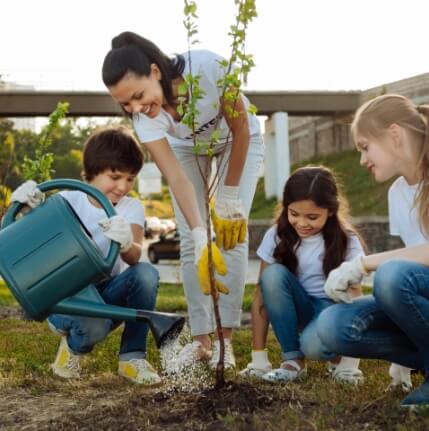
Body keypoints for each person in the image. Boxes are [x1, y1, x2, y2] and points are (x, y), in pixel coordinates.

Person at [102, 31, 264, 370]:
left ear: (156, 72)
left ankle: (225, 342)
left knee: (233, 232)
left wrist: (229, 197)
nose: (136, 108)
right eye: (125, 105)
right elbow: (176, 178)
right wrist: (201, 232)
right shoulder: (144, 119)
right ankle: (204, 341)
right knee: (193, 239)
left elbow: (241, 131)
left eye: (138, 96)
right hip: (186, 150)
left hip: (238, 141)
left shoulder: (209, 67)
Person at [10, 126, 161, 385]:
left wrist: (126, 243)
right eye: (115, 176)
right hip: (68, 296)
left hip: (106, 294)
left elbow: (135, 255)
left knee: (146, 274)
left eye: (130, 178)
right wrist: (25, 209)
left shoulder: (130, 207)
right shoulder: (68, 200)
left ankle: (132, 358)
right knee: (93, 325)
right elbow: (24, 243)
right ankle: (72, 347)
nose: (123, 187)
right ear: (91, 173)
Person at [317, 94, 429, 407]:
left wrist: (363, 264)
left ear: (395, 134)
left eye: (365, 146)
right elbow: (416, 268)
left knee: (390, 276)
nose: (362, 160)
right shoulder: (398, 193)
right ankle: (421, 357)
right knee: (333, 325)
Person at [239, 166, 364, 383]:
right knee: (271, 276)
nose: (302, 223)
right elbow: (261, 295)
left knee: (312, 346)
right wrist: (258, 359)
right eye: (294, 214)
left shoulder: (347, 240)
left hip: (333, 311)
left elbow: (355, 299)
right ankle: (293, 361)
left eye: (312, 217)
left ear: (331, 210)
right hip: (299, 309)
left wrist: (350, 366)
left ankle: (338, 358)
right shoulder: (276, 235)